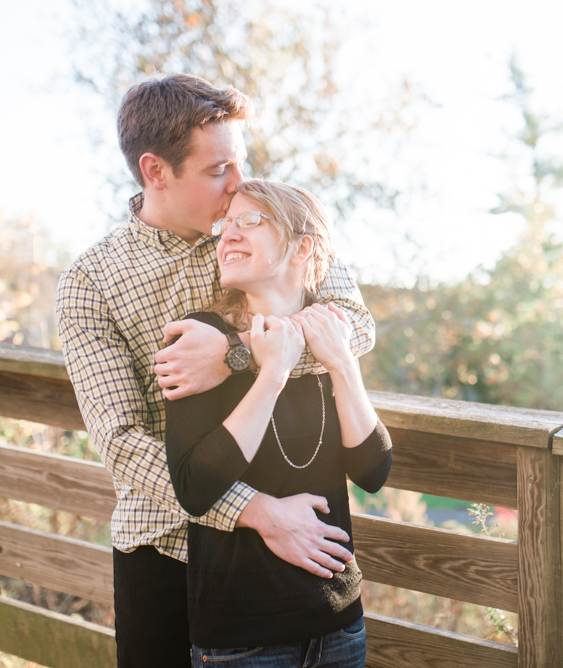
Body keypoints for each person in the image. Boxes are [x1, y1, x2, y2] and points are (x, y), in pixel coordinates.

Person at [54, 74, 376, 668]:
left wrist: (236, 353)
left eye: (240, 163)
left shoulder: (265, 224)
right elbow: (121, 442)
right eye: (216, 170)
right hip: (165, 550)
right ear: (156, 171)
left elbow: (353, 326)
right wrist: (255, 511)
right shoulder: (90, 281)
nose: (237, 187)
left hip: (286, 563)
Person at [165, 179, 391, 667]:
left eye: (250, 222)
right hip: (243, 639)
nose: (227, 236)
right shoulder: (201, 342)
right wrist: (270, 372)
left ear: (302, 246)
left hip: (339, 624)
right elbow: (194, 487)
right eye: (225, 227)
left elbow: (373, 471)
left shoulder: (328, 332)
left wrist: (342, 364)